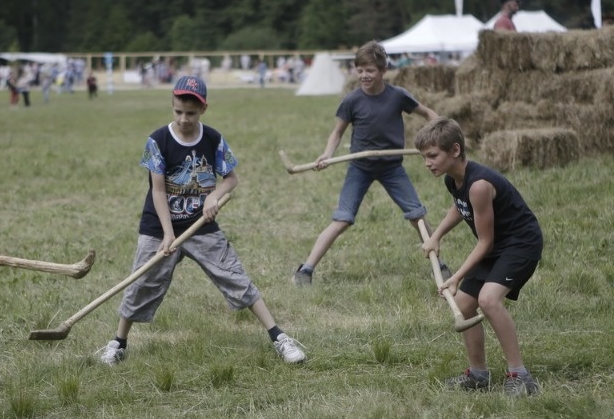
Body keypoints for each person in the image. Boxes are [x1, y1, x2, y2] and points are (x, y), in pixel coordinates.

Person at [96, 76, 306, 366]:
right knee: (142, 283)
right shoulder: (158, 141)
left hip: (200, 226)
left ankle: (280, 338)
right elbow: (157, 191)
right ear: (172, 106)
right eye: (178, 111)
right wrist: (168, 234)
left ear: (203, 109)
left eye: (191, 113)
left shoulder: (213, 139)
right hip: (159, 227)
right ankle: (117, 343)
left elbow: (231, 178)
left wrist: (214, 196)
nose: (184, 119)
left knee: (235, 277)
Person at [292, 40, 445, 286]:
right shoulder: (352, 101)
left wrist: (439, 132)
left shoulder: (397, 96)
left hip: (392, 167)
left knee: (417, 215)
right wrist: (327, 154)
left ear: (383, 71)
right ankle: (306, 270)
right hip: (360, 167)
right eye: (360, 70)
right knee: (342, 219)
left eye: (370, 70)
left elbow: (428, 113)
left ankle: (439, 264)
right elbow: (337, 132)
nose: (364, 75)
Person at [415, 117, 542, 396]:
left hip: (520, 245)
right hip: (498, 246)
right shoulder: (454, 179)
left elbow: (485, 242)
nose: (427, 163)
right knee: (463, 304)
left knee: (488, 299)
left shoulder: (480, 185)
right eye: (425, 157)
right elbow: (461, 208)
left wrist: (455, 277)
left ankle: (520, 375)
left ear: (455, 151)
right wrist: (436, 236)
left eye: (433, 155)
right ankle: (478, 374)